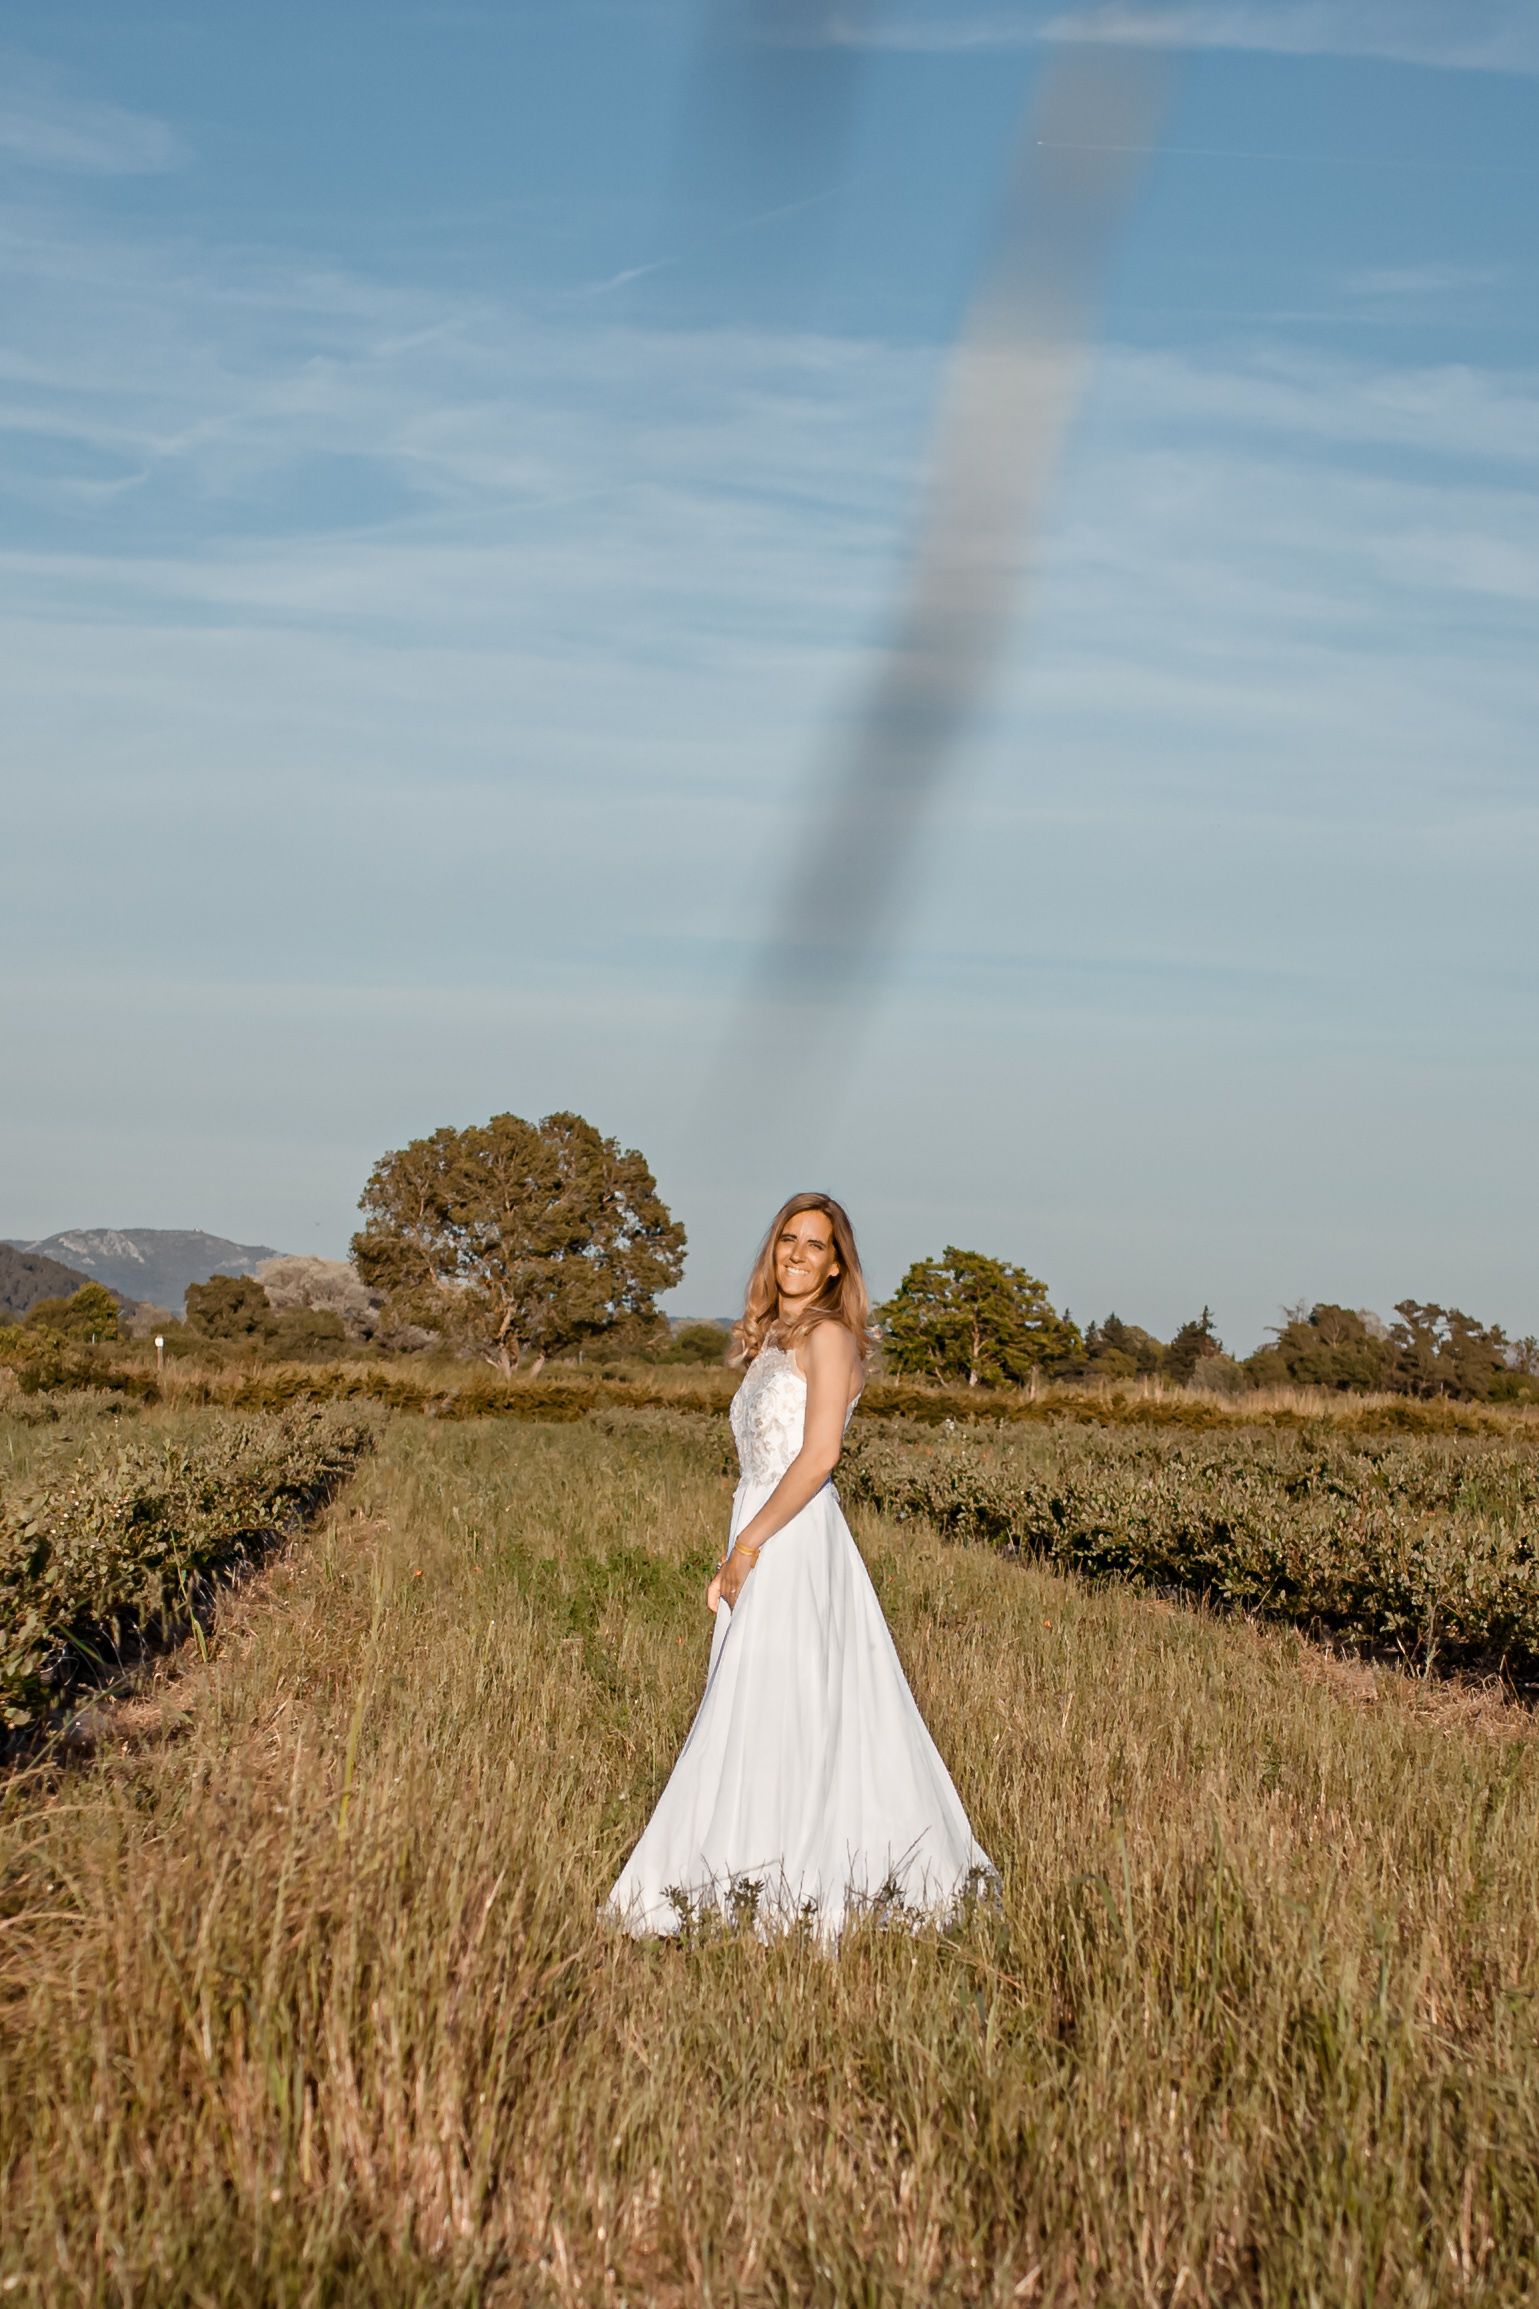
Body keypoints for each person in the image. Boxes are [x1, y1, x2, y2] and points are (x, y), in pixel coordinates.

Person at [605, 1191, 995, 1940]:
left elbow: (819, 1456)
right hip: (762, 1520)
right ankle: (743, 1870)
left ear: (835, 1264)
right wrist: (740, 1543)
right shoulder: (772, 1340)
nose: (797, 1254)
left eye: (815, 1244)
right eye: (788, 1238)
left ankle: (797, 1879)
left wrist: (747, 1547)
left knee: (787, 1699)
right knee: (754, 1702)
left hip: (792, 1535)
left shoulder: (829, 1337)